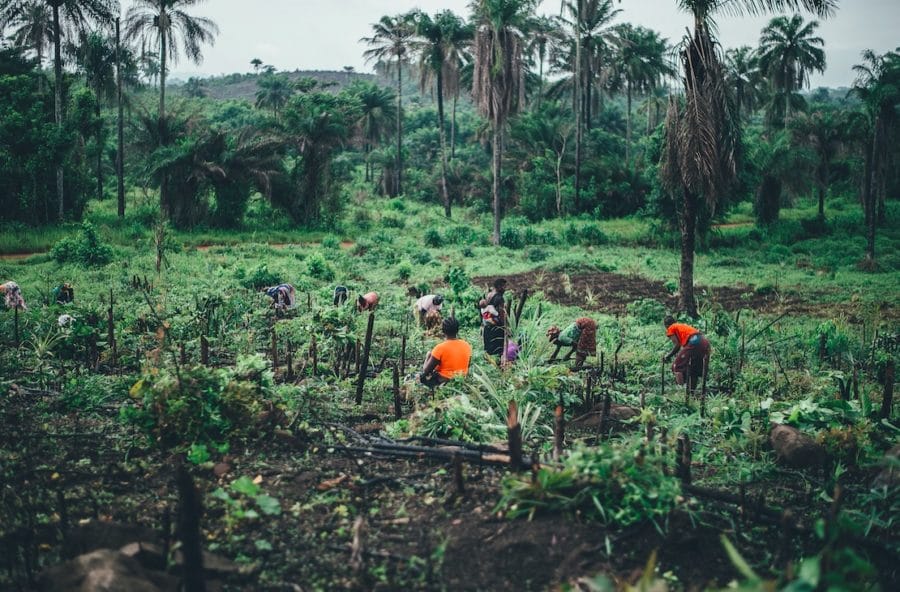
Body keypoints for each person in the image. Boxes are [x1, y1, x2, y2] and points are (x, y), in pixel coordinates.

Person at [420, 317, 472, 388]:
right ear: (457, 330)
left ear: (443, 331)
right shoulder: (467, 345)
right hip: (461, 379)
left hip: (444, 381)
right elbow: (468, 365)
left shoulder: (440, 348)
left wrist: (428, 356)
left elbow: (426, 371)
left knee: (421, 377)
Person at [662, 315, 711, 391]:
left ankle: (681, 391)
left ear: (667, 326)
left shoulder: (671, 327)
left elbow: (677, 345)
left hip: (694, 342)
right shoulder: (681, 326)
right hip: (704, 342)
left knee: (676, 366)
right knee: (694, 370)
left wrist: (668, 356)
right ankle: (692, 394)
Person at [480, 278, 507, 357]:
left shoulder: (489, 295)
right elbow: (502, 314)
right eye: (504, 287)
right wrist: (505, 326)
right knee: (497, 351)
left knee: (489, 351)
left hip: (487, 326)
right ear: (499, 287)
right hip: (496, 329)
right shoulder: (499, 298)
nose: (505, 289)